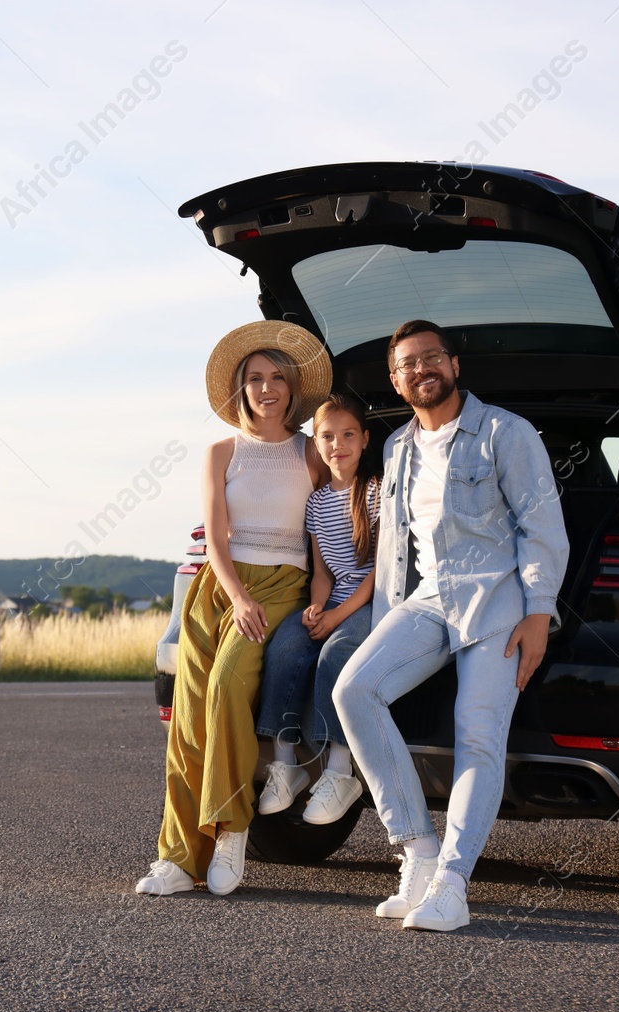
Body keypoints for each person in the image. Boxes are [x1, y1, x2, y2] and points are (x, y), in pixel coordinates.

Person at [334, 319, 568, 931]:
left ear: (455, 365)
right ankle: (417, 848)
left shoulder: (505, 435)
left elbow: (543, 528)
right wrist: (385, 625)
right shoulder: (396, 448)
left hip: (496, 603)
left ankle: (454, 886)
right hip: (429, 602)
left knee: (478, 735)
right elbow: (395, 552)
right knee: (353, 690)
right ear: (395, 380)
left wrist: (539, 613)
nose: (420, 370)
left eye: (430, 358)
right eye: (407, 365)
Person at [135, 321, 329, 897]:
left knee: (225, 687)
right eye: (254, 379)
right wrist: (237, 597)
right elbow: (216, 538)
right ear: (240, 389)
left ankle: (232, 831)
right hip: (218, 589)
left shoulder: (311, 452)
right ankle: (176, 857)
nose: (266, 388)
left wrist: (318, 601)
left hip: (282, 584)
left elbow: (322, 535)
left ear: (293, 388)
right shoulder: (221, 451)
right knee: (189, 720)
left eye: (276, 378)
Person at [255, 393, 380, 825]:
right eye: (327, 436)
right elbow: (322, 568)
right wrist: (315, 607)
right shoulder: (317, 502)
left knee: (335, 654)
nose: (338, 444)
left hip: (370, 600)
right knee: (287, 647)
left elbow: (379, 573)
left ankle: (340, 770)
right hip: (334, 599)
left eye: (348, 435)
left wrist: (336, 617)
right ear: (316, 442)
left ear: (364, 439)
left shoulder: (377, 492)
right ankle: (285, 761)